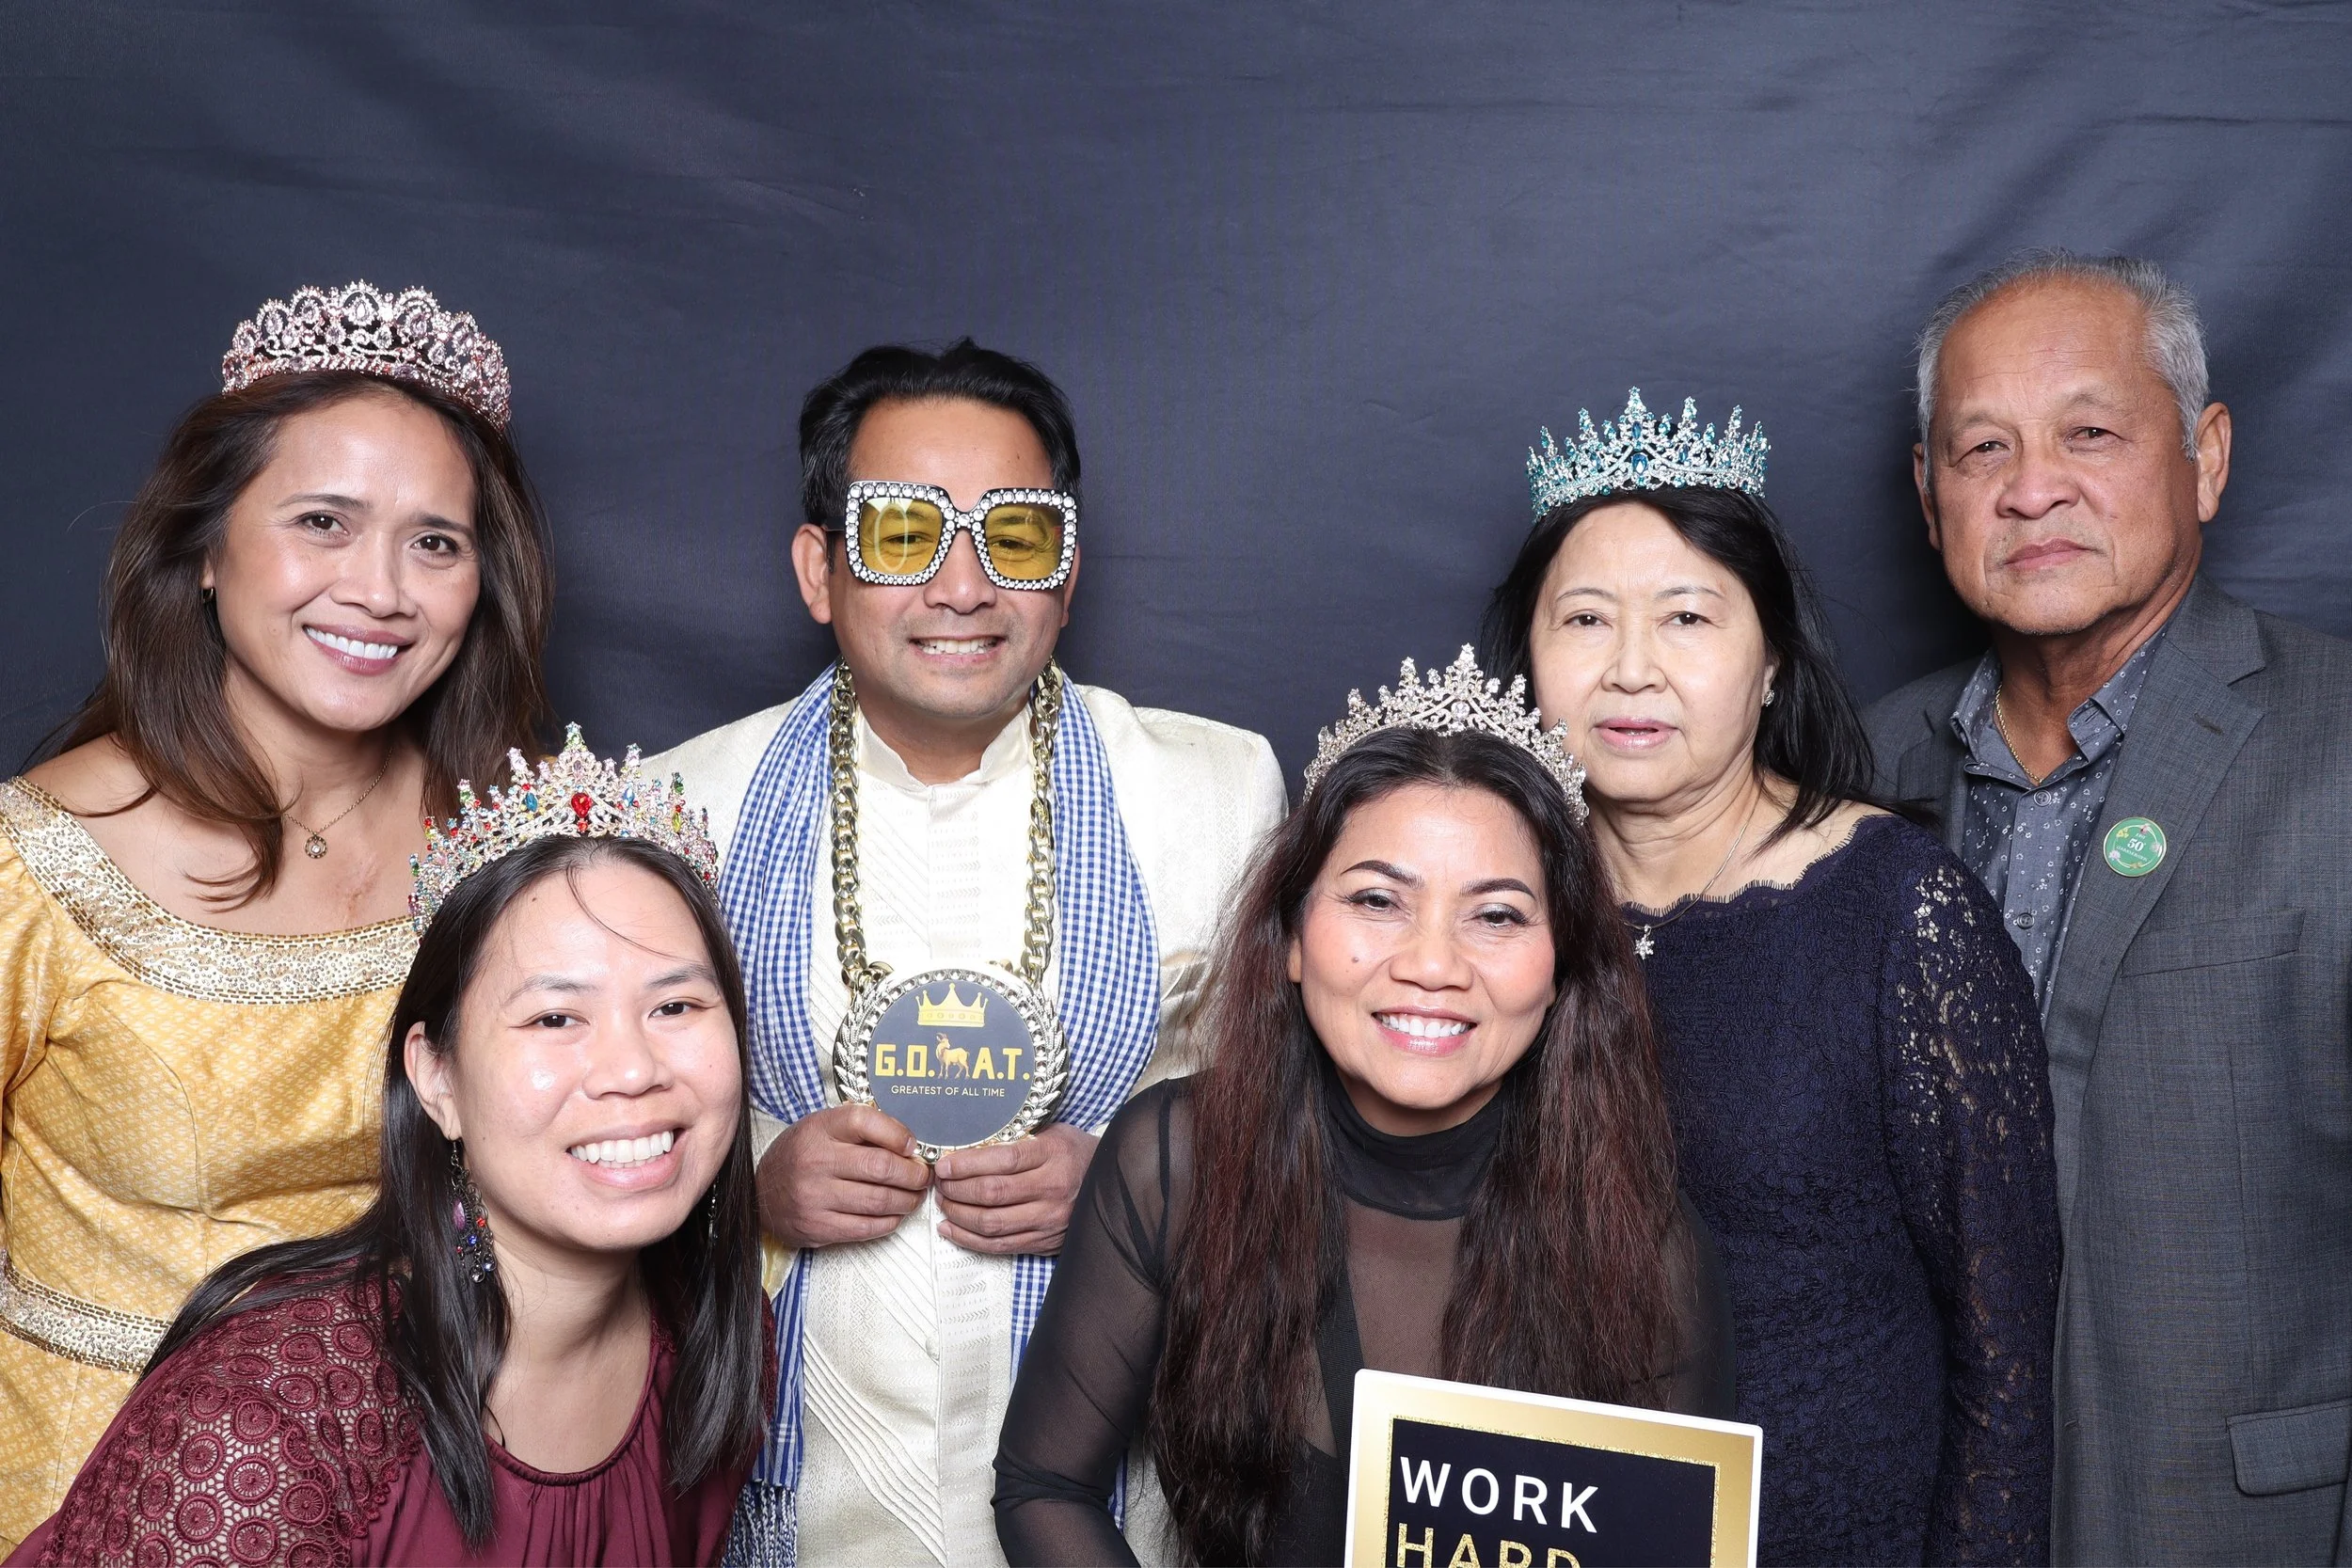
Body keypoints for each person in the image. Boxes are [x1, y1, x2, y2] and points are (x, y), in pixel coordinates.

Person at [647, 339, 1285, 1565]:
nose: (963, 584)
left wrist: (1141, 1191)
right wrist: (749, 1198)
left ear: (1070, 570)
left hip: (1122, 1504)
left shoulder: (1215, 790)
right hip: (795, 1494)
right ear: (817, 569)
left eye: (1017, 534)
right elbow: (578, 1141)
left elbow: (1297, 1123)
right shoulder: (681, 806)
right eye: (901, 533)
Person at [0, 281, 554, 1549]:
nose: (381, 590)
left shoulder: (519, 847)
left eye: (435, 542)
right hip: (101, 1496)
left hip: (434, 1487)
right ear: (204, 548)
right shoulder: (33, 864)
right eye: (322, 521)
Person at [992, 648, 1737, 1567]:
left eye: (1496, 914)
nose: (1432, 962)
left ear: (1563, 966)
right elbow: (1044, 1485)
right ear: (1295, 936)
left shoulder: (1646, 1244)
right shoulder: (1174, 1160)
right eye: (1378, 899)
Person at [1482, 390, 2061, 1565]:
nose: (1631, 669)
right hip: (1550, 1527)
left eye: (1687, 617)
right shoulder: (1484, 914)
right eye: (1584, 619)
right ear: (1529, 659)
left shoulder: (1900, 908)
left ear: (1769, 664)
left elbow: (2005, 1356)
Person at [1865, 250, 2352, 1564]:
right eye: (1981, 449)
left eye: (2089, 431)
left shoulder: (2339, 743)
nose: (2033, 489)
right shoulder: (1850, 776)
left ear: (2206, 455)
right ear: (1928, 496)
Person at [8, 732, 769, 1566]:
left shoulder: (716, 1335)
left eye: (677, 1007)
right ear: (435, 1077)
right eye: (555, 1018)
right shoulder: (261, 1427)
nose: (632, 1070)